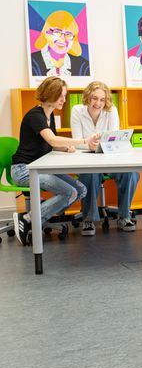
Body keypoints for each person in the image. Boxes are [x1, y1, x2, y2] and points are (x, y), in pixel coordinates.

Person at [11, 77, 100, 246]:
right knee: (71, 192)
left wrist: (64, 147)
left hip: (41, 167)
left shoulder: (49, 115)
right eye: (61, 96)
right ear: (51, 94)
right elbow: (52, 140)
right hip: (25, 170)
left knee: (81, 189)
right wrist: (82, 141)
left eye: (65, 96)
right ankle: (28, 218)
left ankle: (37, 213)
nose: (64, 100)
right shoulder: (35, 115)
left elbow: (48, 144)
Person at [70, 81, 139, 235]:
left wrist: (98, 144)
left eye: (102, 100)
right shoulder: (77, 111)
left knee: (131, 173)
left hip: (109, 156)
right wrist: (89, 146)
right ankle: (88, 219)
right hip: (87, 157)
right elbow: (77, 140)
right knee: (89, 174)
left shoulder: (111, 110)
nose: (98, 103)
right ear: (88, 96)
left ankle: (124, 216)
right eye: (95, 98)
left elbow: (114, 138)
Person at [31, 10, 90, 77]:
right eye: (57, 32)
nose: (63, 38)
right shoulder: (32, 62)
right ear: (46, 33)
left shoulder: (83, 66)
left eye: (68, 34)